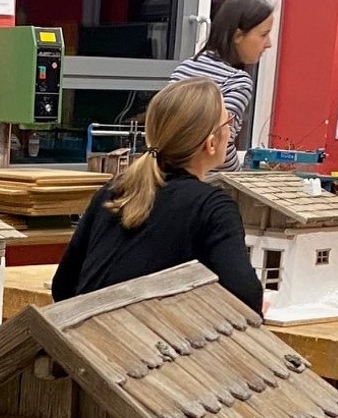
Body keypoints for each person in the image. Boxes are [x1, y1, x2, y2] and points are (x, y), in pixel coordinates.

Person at [51, 78, 264, 312]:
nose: (233, 130)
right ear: (211, 143)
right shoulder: (212, 207)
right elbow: (245, 298)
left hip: (85, 341)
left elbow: (63, 287)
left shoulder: (113, 191)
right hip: (149, 345)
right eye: (229, 123)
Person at [168, 0, 276, 171]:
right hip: (202, 181)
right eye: (263, 35)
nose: (269, 43)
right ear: (238, 36)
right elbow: (220, 146)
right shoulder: (237, 81)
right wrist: (239, 179)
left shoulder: (185, 67)